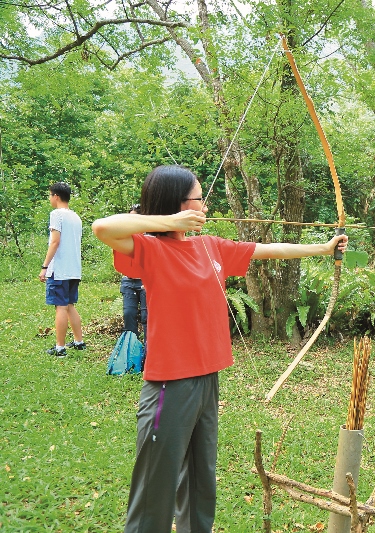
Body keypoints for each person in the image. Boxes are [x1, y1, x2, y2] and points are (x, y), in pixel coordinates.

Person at [91, 164, 347, 533]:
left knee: (201, 478)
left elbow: (266, 249)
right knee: (155, 489)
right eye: (200, 199)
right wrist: (168, 222)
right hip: (170, 384)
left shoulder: (209, 246)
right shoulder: (147, 248)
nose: (206, 207)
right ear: (179, 206)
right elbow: (102, 228)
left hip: (208, 377)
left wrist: (322, 248)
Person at [40, 182, 85, 357]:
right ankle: (79, 341)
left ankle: (60, 348)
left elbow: (55, 242)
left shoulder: (56, 214)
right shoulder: (76, 217)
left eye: (50, 195)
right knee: (69, 305)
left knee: (60, 307)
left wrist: (45, 266)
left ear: (56, 196)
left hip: (59, 270)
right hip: (74, 269)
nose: (50, 198)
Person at [120, 204, 147, 344]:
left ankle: (149, 352)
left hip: (145, 282)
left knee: (146, 317)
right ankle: (131, 349)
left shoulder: (150, 238)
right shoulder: (123, 237)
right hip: (128, 281)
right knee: (128, 314)